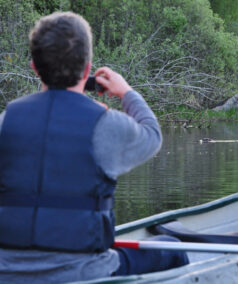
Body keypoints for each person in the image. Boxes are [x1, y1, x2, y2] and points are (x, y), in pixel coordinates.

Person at [0, 11, 188, 283]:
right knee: (173, 251)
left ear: (34, 68)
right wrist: (127, 93)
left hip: (7, 273)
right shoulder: (105, 124)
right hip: (86, 272)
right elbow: (152, 134)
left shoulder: (6, 121)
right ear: (88, 69)